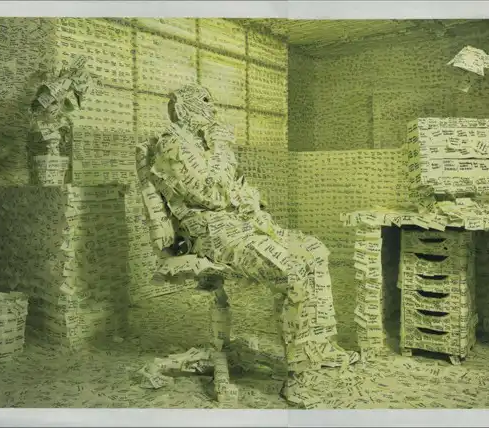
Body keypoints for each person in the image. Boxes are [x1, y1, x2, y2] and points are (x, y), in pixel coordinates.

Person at [136, 83, 358, 406]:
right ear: (182, 109)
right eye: (204, 102)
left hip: (242, 226)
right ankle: (300, 374)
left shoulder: (200, 145)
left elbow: (231, 188)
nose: (212, 109)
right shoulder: (172, 146)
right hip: (215, 237)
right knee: (293, 272)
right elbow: (213, 195)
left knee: (315, 251)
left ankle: (318, 348)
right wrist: (222, 148)